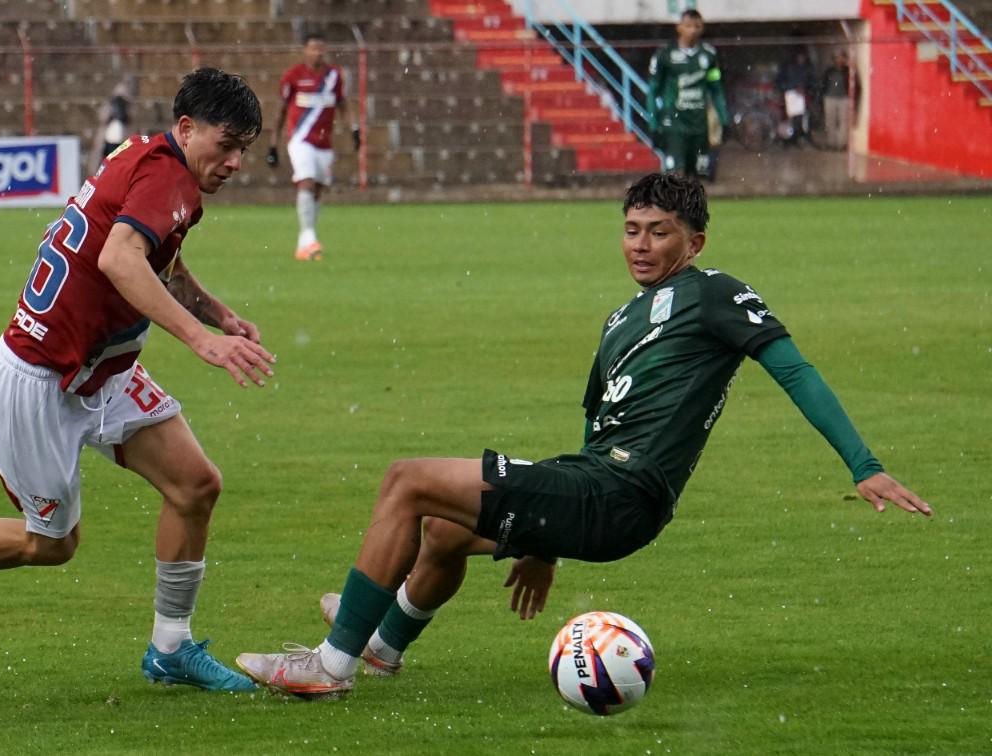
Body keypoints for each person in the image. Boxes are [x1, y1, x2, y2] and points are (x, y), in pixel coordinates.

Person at [234, 172, 932, 698]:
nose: (642, 244)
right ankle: (383, 642)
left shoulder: (714, 293)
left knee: (405, 479)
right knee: (442, 527)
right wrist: (543, 537)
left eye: (660, 231)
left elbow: (795, 369)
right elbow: (594, 425)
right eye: (632, 229)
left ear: (695, 242)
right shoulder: (621, 318)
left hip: (624, 495)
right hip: (597, 485)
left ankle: (330, 665)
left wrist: (861, 464)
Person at [0, 68, 275, 693]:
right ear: (186, 128)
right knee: (53, 545)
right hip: (37, 380)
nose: (235, 161)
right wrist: (202, 339)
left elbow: (158, 254)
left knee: (195, 485)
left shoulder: (155, 161)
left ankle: (170, 648)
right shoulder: (164, 173)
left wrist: (218, 311)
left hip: (103, 371)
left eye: (244, 149)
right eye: (227, 144)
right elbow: (120, 257)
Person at [266, 33, 359, 261]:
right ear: (304, 51)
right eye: (313, 48)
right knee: (306, 181)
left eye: (321, 48)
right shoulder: (294, 76)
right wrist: (273, 144)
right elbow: (281, 111)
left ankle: (304, 241)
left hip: (324, 144)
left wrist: (354, 129)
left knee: (317, 189)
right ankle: (309, 237)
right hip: (300, 140)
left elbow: (343, 104)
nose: (317, 52)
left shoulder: (333, 76)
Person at [646, 10, 728, 179]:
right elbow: (653, 91)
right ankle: (672, 205)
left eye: (697, 26)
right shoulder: (665, 55)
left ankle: (693, 206)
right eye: (688, 26)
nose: (693, 30)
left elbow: (716, 89)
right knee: (673, 177)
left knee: (698, 179)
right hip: (674, 124)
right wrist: (653, 125)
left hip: (699, 125)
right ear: (679, 28)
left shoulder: (709, 55)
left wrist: (724, 120)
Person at [776, 48, 816, 147]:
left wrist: (804, 88)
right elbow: (781, 80)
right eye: (799, 57)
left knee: (799, 119)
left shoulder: (807, 68)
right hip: (790, 95)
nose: (801, 59)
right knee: (788, 118)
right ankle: (786, 140)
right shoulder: (789, 67)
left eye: (803, 57)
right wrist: (793, 87)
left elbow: (810, 81)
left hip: (800, 96)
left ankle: (795, 139)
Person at [820, 51, 855, 150]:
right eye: (837, 58)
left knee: (843, 122)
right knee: (830, 122)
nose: (839, 60)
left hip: (844, 99)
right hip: (830, 98)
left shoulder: (848, 71)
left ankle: (842, 144)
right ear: (834, 60)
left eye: (841, 58)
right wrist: (822, 96)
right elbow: (823, 83)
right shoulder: (829, 71)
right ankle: (831, 144)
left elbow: (854, 83)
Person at [100, 79, 134, 159]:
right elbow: (103, 118)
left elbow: (131, 122)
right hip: (109, 139)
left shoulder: (128, 106)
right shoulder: (111, 104)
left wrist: (126, 105)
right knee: (108, 161)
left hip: (123, 140)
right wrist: (111, 107)